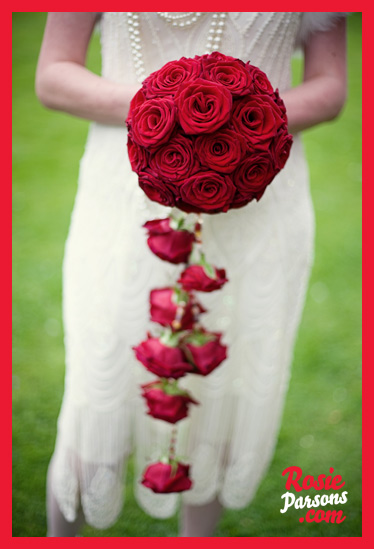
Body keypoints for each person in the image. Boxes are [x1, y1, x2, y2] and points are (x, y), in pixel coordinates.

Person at [35, 12, 347, 537]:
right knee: (98, 391)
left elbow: (330, 86)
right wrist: (167, 112)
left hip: (260, 201)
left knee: (227, 392)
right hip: (126, 200)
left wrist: (246, 125)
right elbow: (52, 74)